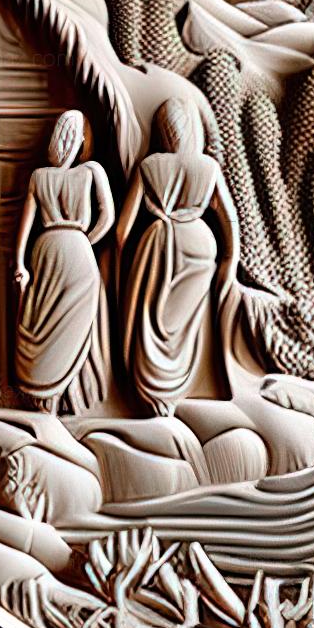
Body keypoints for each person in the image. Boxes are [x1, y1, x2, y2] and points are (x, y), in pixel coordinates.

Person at [116, 97, 238, 415]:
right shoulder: (208, 167)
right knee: (189, 325)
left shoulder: (149, 165)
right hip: (200, 247)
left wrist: (120, 264)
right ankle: (183, 388)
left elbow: (122, 230)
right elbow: (229, 220)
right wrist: (230, 259)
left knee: (152, 320)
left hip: (157, 246)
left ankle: (156, 394)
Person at [14, 110, 113, 415]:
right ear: (79, 138)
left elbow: (25, 226)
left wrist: (19, 263)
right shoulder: (92, 170)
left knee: (43, 320)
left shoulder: (39, 177)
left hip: (46, 249)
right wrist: (85, 242)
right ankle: (65, 398)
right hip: (77, 251)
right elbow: (107, 217)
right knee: (75, 325)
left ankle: (48, 398)